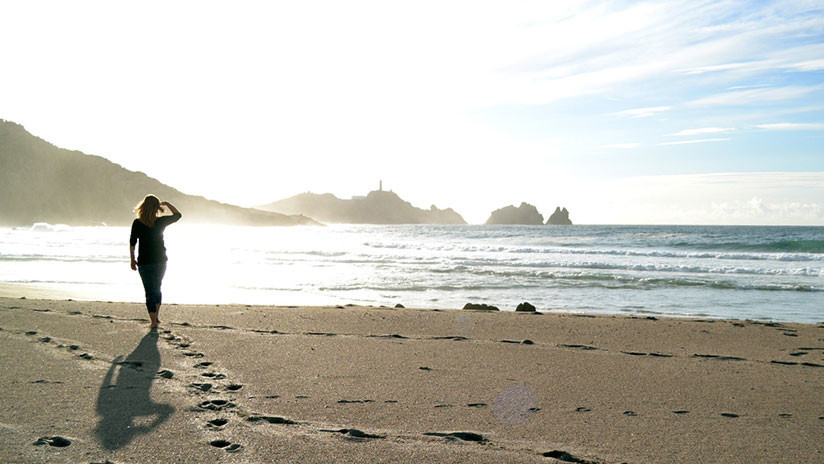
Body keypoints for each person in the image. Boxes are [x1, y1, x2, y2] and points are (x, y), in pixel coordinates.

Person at [129, 195, 181, 329]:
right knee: (157, 288)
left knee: (149, 291)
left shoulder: (137, 223)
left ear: (143, 207)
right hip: (160, 260)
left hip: (144, 262)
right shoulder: (161, 221)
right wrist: (168, 203)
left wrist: (132, 260)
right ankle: (156, 317)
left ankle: (153, 321)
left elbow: (132, 242)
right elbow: (177, 215)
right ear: (157, 208)